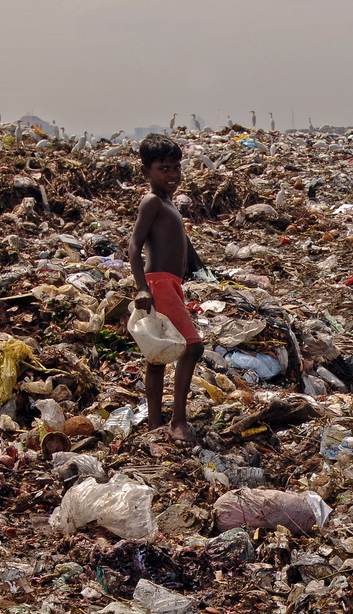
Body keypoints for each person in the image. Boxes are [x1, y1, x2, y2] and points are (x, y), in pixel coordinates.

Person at [128, 133, 204, 444]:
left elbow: (179, 244)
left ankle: (155, 427)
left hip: (170, 282)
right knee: (192, 346)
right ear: (146, 171)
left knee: (157, 356)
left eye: (176, 168)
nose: (172, 175)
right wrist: (142, 288)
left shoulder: (168, 202)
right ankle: (178, 421)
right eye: (164, 168)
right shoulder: (152, 201)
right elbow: (133, 246)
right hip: (158, 283)